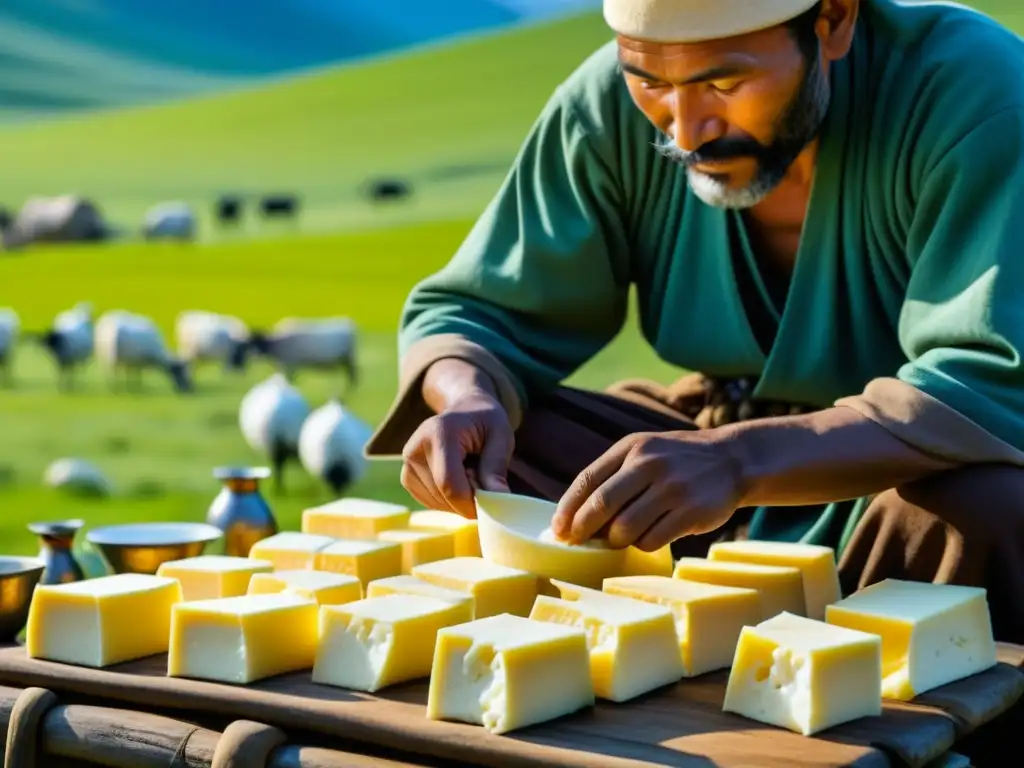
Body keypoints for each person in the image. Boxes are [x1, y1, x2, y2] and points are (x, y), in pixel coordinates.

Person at [365, 0, 1024, 646]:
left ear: (833, 20)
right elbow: (476, 313)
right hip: (711, 455)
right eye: (650, 82)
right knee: (513, 448)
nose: (683, 132)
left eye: (725, 82)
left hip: (898, 476)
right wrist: (465, 396)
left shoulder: (973, 91)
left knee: (986, 510)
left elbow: (986, 388)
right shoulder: (604, 106)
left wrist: (739, 464)